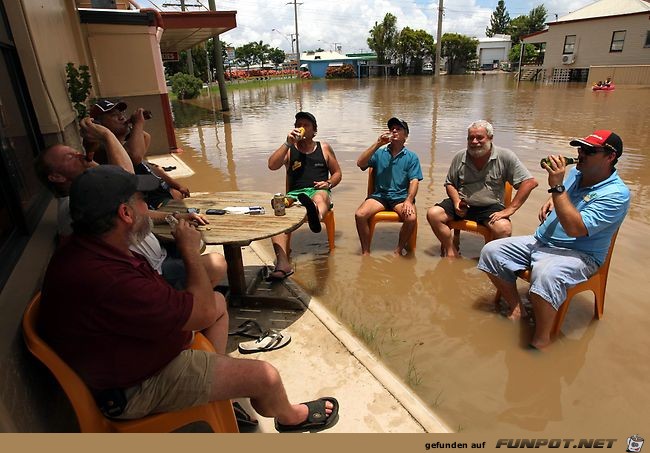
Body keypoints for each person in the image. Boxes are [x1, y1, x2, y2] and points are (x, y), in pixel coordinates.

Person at [39, 165, 339, 431]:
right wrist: (189, 251)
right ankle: (290, 418)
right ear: (126, 214)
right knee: (266, 377)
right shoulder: (109, 277)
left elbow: (192, 306)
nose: (149, 209)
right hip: (133, 388)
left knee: (221, 304)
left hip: (130, 355)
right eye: (142, 202)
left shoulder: (87, 250)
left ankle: (218, 386)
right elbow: (202, 312)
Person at [477, 130, 630, 349]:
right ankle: (516, 307)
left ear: (610, 157)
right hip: (541, 241)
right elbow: (564, 195)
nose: (581, 154)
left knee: (546, 275)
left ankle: (541, 340)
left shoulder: (616, 194)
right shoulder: (578, 174)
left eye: (589, 150)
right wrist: (553, 198)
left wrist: (557, 188)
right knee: (492, 252)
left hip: (579, 254)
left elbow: (575, 228)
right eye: (580, 148)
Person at [34, 118, 226, 289]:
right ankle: (186, 306)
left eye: (76, 151)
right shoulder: (75, 206)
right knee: (216, 264)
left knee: (196, 240)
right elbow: (126, 179)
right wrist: (106, 135)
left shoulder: (88, 191)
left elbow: (135, 205)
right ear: (56, 176)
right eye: (70, 156)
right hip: (154, 274)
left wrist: (176, 216)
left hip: (158, 257)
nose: (78, 155)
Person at [427, 120, 538, 258]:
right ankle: (451, 252)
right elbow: (450, 183)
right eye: (470, 138)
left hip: (490, 207)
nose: (474, 142)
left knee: (504, 228)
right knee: (433, 214)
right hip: (463, 205)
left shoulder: (505, 156)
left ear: (490, 138)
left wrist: (510, 210)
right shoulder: (460, 156)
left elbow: (530, 182)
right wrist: (456, 202)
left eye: (479, 137)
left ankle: (492, 260)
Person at [266, 111, 342, 280]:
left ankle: (316, 214)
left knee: (319, 198)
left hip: (318, 189)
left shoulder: (324, 148)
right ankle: (282, 263)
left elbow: (337, 173)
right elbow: (272, 165)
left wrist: (328, 183)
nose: (301, 128)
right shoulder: (289, 149)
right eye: (298, 125)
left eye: (305, 125)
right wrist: (287, 143)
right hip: (294, 194)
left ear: (314, 131)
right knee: (278, 213)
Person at [88, 99, 189, 209]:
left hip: (164, 195)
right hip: (153, 206)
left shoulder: (123, 145)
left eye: (121, 114)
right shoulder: (103, 148)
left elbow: (145, 147)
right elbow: (135, 156)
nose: (122, 118)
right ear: (98, 124)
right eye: (114, 116)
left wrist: (177, 186)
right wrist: (138, 123)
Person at [355, 117, 422, 256]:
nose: (394, 131)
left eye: (399, 129)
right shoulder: (380, 152)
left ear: (406, 135)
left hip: (400, 198)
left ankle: (398, 250)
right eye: (392, 129)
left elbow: (414, 181)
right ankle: (365, 252)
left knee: (411, 218)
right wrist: (377, 144)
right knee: (360, 215)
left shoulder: (411, 157)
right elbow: (360, 163)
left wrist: (409, 200)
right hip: (380, 196)